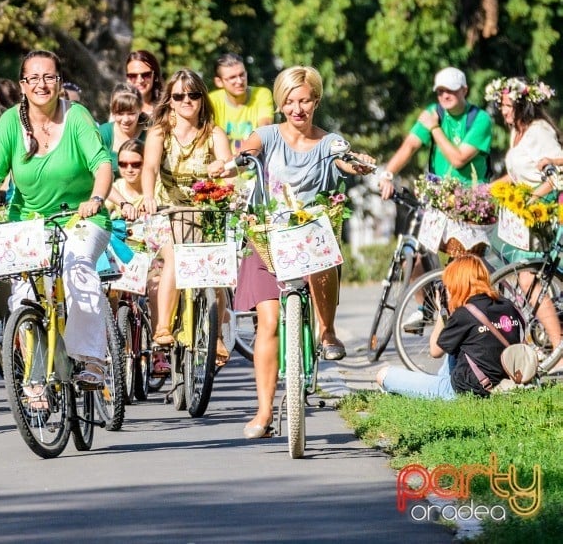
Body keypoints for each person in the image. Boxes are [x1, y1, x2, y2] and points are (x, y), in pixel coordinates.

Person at [232, 66, 374, 439]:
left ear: (316, 102)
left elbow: (343, 157)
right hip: (267, 236)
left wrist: (356, 163)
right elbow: (250, 147)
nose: (298, 108)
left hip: (311, 234)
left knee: (323, 247)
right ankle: (263, 413)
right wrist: (242, 157)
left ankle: (327, 332)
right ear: (280, 104)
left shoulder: (329, 142)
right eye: (290, 101)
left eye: (305, 100)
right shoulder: (267, 135)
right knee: (269, 321)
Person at [0, 49, 113, 387]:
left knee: (78, 266)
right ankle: (35, 377)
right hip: (29, 223)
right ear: (23, 84)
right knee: (23, 296)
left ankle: (90, 359)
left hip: (80, 218)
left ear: (58, 82)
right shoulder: (10, 123)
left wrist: (95, 198)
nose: (42, 84)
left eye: (49, 77)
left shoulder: (77, 116)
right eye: (34, 78)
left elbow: (102, 165)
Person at [141, 69, 234, 362]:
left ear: (202, 98)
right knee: (175, 257)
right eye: (179, 95)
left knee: (215, 271)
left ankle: (216, 336)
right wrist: (146, 195)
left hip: (205, 213)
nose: (186, 101)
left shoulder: (214, 132)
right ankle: (163, 328)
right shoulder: (160, 133)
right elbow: (150, 168)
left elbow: (227, 164)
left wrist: (222, 168)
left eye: (193, 94)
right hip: (168, 213)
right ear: (169, 100)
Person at [376, 255, 526, 399]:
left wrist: (443, 313)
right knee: (457, 345)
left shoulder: (464, 314)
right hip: (506, 380)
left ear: (457, 284)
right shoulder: (507, 305)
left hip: (466, 389)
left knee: (383, 374)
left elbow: (435, 351)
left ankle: (433, 390)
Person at [486, 77, 562, 353]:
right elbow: (518, 173)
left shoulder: (538, 130)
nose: (503, 110)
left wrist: (533, 197)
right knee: (509, 269)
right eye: (501, 105)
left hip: (540, 211)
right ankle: (533, 334)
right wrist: (487, 190)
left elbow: (558, 172)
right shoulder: (517, 131)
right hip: (519, 214)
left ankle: (558, 346)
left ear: (522, 105)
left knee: (528, 277)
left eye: (507, 105)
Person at [379, 66, 493, 200]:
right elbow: (410, 145)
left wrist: (434, 128)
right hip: (440, 195)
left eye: (451, 90)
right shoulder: (434, 112)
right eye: (440, 91)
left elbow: (458, 159)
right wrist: (387, 175)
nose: (445, 96)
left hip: (472, 198)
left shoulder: (480, 119)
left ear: (464, 90)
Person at [208, 52, 275, 153]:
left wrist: (242, 162)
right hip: (224, 164)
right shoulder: (211, 100)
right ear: (219, 82)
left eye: (242, 75)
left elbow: (264, 130)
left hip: (255, 162)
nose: (239, 81)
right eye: (232, 77)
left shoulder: (262, 94)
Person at [99, 82, 147, 175]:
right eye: (120, 113)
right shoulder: (103, 133)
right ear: (112, 111)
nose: (125, 120)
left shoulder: (150, 134)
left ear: (140, 110)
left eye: (131, 113)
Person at [125, 50, 164, 116]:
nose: (140, 80)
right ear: (127, 78)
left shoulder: (167, 107)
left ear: (155, 76)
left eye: (146, 75)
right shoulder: (119, 107)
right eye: (133, 76)